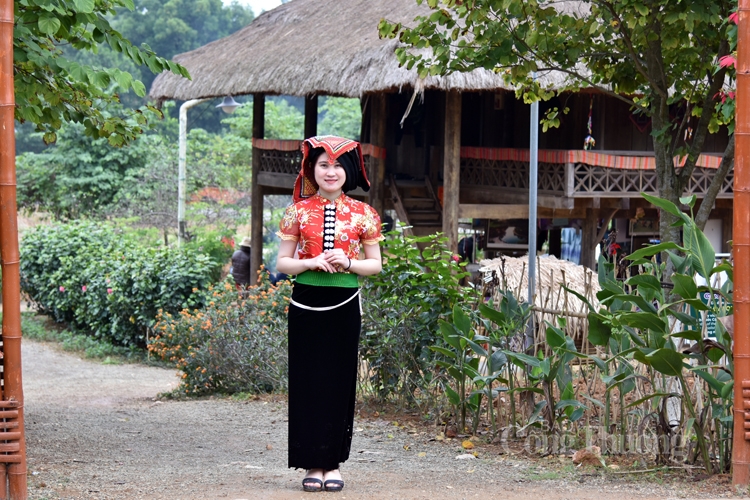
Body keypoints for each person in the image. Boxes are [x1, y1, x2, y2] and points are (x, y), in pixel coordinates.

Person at [276, 136, 383, 493]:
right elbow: (282, 263)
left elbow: (375, 266)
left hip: (344, 303)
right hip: (305, 302)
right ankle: (311, 462)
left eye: (337, 165)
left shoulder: (365, 214)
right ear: (313, 169)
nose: (331, 171)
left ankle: (333, 464)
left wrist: (349, 262)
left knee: (339, 381)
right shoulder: (297, 211)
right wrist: (311, 262)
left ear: (348, 171)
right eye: (323, 165)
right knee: (307, 381)